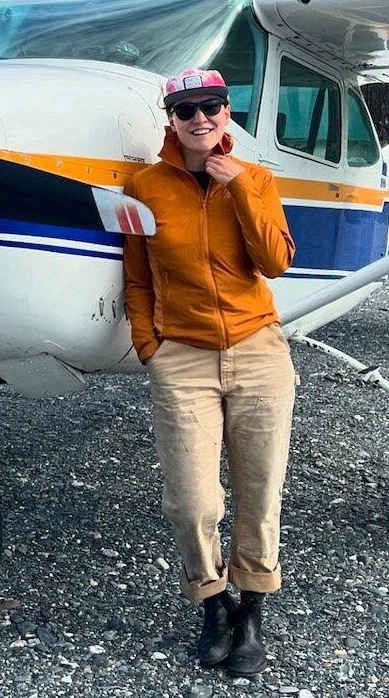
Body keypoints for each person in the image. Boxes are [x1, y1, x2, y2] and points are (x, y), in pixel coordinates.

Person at [122, 68, 297, 675]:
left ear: (228, 113)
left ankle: (251, 609)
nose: (201, 118)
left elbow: (275, 261)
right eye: (187, 109)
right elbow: (137, 276)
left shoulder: (258, 178)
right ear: (169, 119)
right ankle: (211, 602)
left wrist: (242, 187)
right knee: (192, 502)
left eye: (212, 107)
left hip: (258, 350)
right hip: (183, 358)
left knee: (259, 491)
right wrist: (151, 345)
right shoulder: (141, 186)